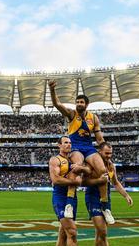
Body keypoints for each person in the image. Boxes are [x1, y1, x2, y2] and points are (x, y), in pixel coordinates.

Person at [48, 80, 113, 224]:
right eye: (77, 101)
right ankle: (69, 203)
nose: (79, 104)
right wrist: (52, 90)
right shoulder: (72, 114)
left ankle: (105, 206)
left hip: (88, 147)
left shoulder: (93, 118)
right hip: (75, 146)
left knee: (103, 170)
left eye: (82, 102)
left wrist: (105, 152)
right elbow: (57, 105)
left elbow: (99, 137)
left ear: (87, 104)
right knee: (77, 166)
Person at [84, 142, 133, 246]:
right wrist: (98, 180)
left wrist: (126, 195)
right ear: (99, 152)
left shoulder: (111, 165)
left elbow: (116, 183)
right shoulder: (91, 164)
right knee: (103, 232)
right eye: (106, 153)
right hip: (93, 198)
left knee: (100, 233)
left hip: (107, 200)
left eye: (110, 153)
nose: (109, 156)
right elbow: (84, 182)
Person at [49, 136, 93, 246]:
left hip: (73, 198)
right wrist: (74, 181)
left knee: (63, 233)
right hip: (60, 198)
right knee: (72, 232)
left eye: (69, 143)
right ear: (59, 145)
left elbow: (88, 171)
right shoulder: (55, 160)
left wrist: (81, 169)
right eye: (65, 142)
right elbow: (56, 180)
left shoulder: (75, 160)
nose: (68, 145)